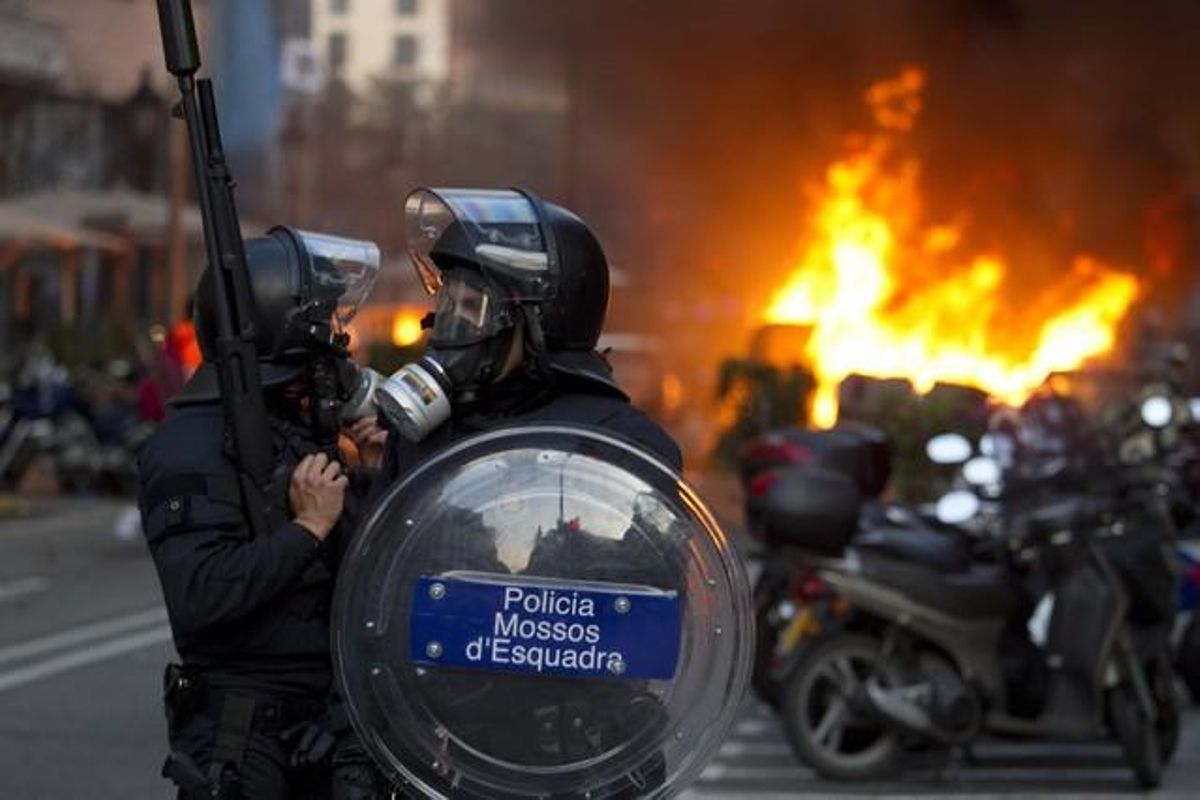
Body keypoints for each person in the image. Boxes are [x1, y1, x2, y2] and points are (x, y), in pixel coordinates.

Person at [353, 188, 682, 797]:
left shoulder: (621, 445)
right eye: (445, 303)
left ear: (538, 318)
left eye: (471, 306)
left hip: (576, 765)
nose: (448, 327)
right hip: (443, 758)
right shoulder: (429, 434)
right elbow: (376, 596)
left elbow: (642, 614)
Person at [137, 228, 386, 799]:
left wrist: (372, 476)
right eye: (321, 322)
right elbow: (201, 593)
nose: (335, 339)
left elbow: (355, 578)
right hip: (241, 743)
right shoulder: (186, 446)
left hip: (321, 730)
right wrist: (305, 530)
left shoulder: (293, 428)